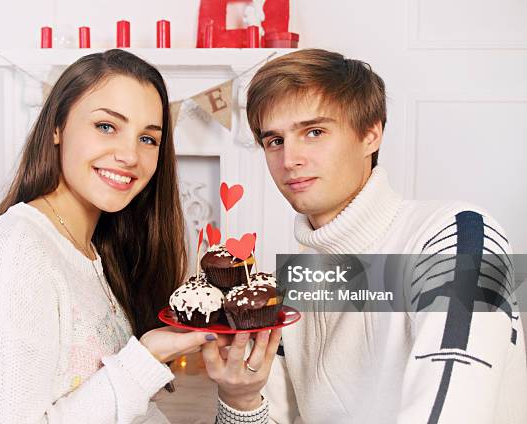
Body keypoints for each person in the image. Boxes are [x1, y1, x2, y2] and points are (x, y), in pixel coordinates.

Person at [206, 49, 527, 423]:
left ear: (371, 134)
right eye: (274, 140)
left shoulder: (459, 235)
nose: (289, 159)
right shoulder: (294, 285)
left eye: (314, 132)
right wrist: (240, 398)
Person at [0, 49, 220, 423]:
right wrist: (144, 359)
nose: (129, 155)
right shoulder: (17, 255)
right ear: (57, 127)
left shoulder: (92, 252)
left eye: (148, 139)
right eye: (106, 126)